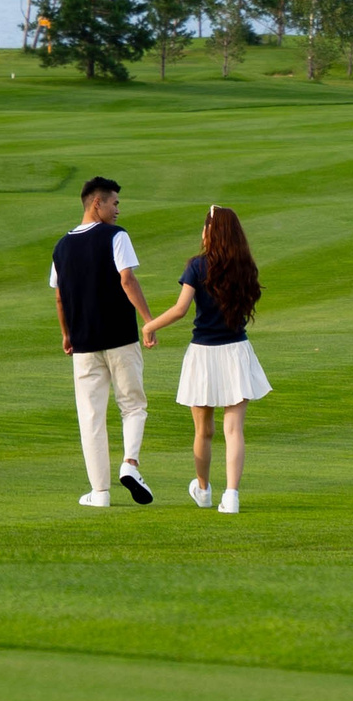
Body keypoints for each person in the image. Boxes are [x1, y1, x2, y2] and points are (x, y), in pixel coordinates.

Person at [142, 205, 269, 514]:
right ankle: (232, 495)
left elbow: (180, 309)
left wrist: (149, 325)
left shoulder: (197, 267)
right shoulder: (244, 266)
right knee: (234, 429)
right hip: (236, 352)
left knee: (204, 431)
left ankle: (203, 490)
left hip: (203, 354)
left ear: (210, 232)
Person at [49, 175, 155, 507]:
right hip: (120, 337)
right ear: (98, 203)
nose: (118, 210)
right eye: (114, 203)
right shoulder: (115, 236)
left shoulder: (61, 246)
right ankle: (130, 463)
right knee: (133, 405)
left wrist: (66, 334)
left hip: (82, 343)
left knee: (91, 416)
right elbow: (127, 278)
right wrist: (150, 321)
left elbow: (60, 298)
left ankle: (99, 493)